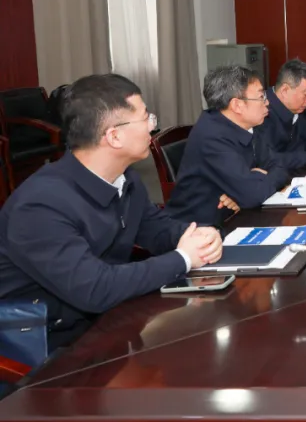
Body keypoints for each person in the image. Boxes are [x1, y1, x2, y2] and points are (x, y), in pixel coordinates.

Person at [0, 74, 223, 350]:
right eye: (146, 118)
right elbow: (94, 289)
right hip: (42, 345)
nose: (152, 127)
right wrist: (183, 258)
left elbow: (156, 229)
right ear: (114, 136)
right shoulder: (39, 206)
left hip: (105, 320)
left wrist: (198, 237)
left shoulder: (124, 179)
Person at [165, 66, 292, 225]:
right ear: (237, 105)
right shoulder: (212, 137)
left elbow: (280, 166)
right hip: (197, 229)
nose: (267, 103)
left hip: (232, 218)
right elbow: (253, 194)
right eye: (261, 97)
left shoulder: (247, 125)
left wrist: (248, 186)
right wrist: (253, 183)